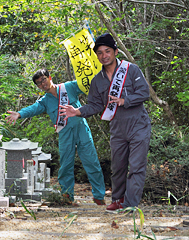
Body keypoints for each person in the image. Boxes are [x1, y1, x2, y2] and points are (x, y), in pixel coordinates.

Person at [59, 33, 151, 212]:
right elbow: (94, 105)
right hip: (117, 128)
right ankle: (117, 199)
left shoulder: (131, 70)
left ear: (115, 51)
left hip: (138, 125)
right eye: (100, 53)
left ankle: (130, 205)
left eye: (107, 51)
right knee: (118, 167)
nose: (104, 56)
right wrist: (76, 111)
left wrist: (124, 100)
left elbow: (144, 92)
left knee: (137, 167)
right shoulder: (97, 80)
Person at [5, 69, 106, 205]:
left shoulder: (69, 87)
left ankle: (99, 195)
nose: (42, 84)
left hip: (81, 128)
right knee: (66, 164)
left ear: (50, 77)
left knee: (91, 160)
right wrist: (19, 114)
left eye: (43, 80)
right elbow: (33, 108)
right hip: (64, 132)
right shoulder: (45, 101)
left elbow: (86, 83)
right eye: (39, 84)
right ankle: (67, 196)